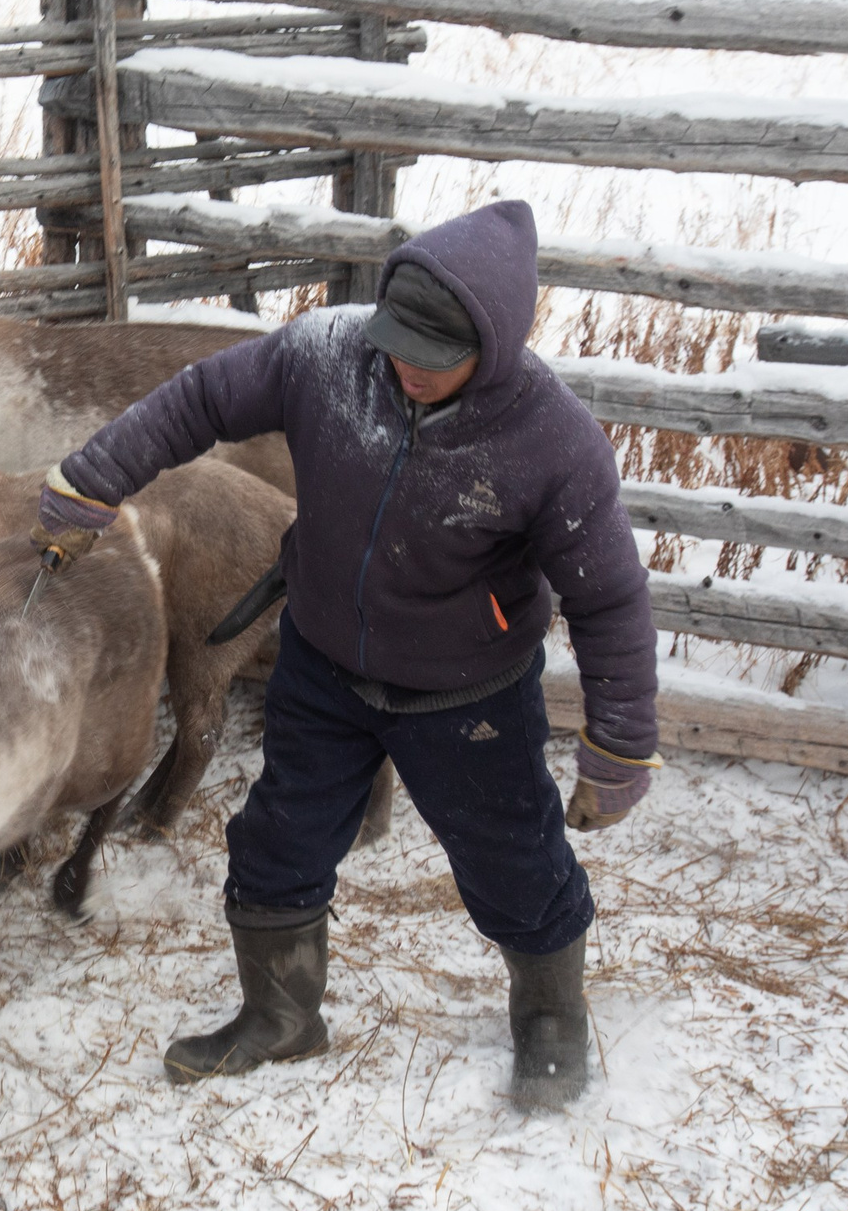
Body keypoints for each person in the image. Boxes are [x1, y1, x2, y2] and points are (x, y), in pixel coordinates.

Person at [32, 200, 659, 1110]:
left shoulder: (549, 442)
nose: (405, 365)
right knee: (277, 838)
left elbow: (608, 597)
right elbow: (199, 400)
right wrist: (93, 480)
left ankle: (552, 1018)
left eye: (432, 358)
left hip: (467, 693)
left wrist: (622, 742)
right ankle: (281, 1014)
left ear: (493, 344)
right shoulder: (326, 355)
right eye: (398, 340)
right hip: (325, 665)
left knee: (513, 856)